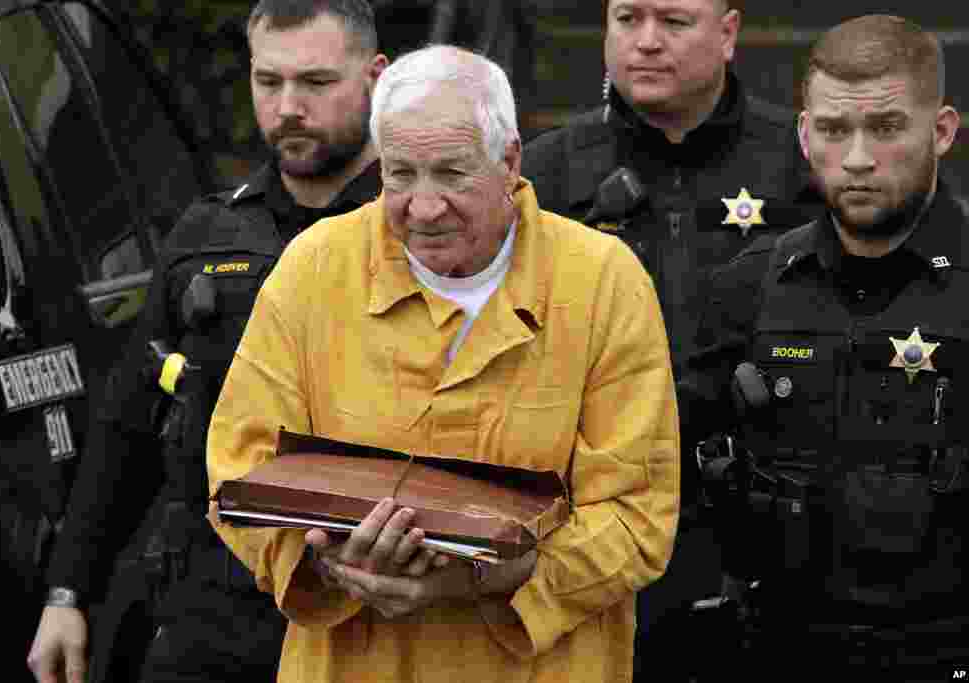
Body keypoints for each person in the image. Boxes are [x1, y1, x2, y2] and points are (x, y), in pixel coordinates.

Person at [206, 45, 680, 683]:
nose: (423, 208)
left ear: (510, 162)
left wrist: (488, 577)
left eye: (452, 174)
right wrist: (327, 564)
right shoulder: (314, 267)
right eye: (400, 174)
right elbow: (238, 466)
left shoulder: (602, 283)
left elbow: (638, 514)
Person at [26, 2, 387, 682]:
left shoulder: (419, 228)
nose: (287, 107)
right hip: (210, 607)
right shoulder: (207, 235)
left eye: (315, 83)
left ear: (375, 77)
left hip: (364, 607)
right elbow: (126, 426)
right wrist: (68, 590)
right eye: (269, 81)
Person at [521, 2, 820, 676]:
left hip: (761, 524)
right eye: (628, 19)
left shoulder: (803, 163)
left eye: (674, 23)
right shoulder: (545, 175)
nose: (646, 43)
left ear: (729, 33)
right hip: (595, 519)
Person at [685, 14, 968, 680]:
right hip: (779, 654)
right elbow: (680, 485)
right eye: (837, 130)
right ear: (806, 135)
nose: (860, 157)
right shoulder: (746, 288)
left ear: (944, 131)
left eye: (888, 127)